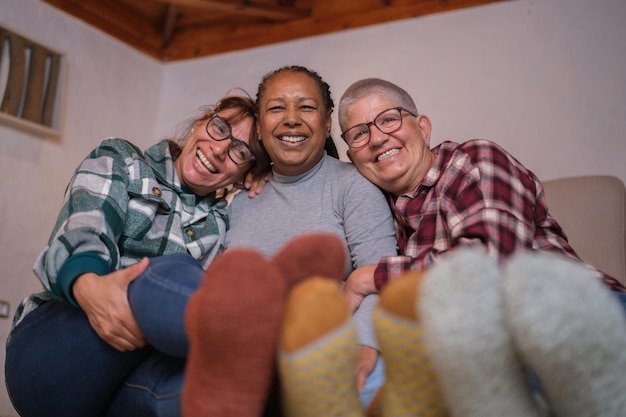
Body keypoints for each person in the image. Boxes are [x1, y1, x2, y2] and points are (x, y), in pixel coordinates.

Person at [335, 77, 626, 416]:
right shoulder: (375, 216)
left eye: (388, 119)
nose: (377, 137)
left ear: (423, 128)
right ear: (353, 158)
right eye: (359, 133)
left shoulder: (473, 159)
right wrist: (261, 169)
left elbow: (489, 268)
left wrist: (370, 277)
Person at [5, 93, 270, 417]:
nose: (218, 149)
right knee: (173, 272)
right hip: (56, 352)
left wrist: (270, 181)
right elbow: (83, 230)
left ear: (245, 173)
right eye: (219, 128)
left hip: (132, 378)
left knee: (212, 399)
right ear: (201, 123)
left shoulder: (223, 218)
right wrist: (91, 289)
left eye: (239, 152)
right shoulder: (123, 159)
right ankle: (262, 351)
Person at [223, 66, 398, 411]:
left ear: (327, 120)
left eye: (305, 107)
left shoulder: (352, 185)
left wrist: (365, 345)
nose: (291, 119)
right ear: (259, 125)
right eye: (276, 108)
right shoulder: (240, 201)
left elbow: (380, 274)